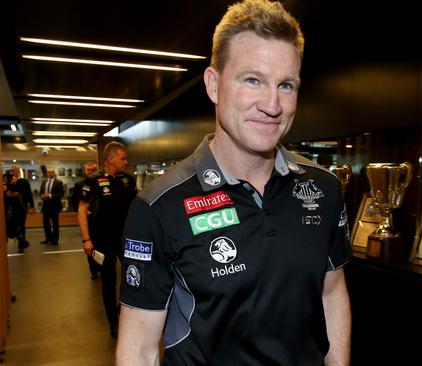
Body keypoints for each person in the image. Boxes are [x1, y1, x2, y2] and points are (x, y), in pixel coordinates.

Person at [116, 1, 352, 364]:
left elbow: (332, 293)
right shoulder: (159, 207)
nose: (272, 105)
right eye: (252, 80)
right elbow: (139, 348)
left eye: (286, 85)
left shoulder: (323, 189)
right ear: (214, 85)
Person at [78, 142, 137, 337]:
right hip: (103, 240)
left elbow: (137, 208)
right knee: (108, 280)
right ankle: (113, 321)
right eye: (123, 158)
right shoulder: (93, 181)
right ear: (110, 159)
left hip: (126, 239)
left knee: (132, 277)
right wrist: (86, 240)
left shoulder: (129, 180)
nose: (126, 162)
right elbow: (81, 211)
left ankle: (125, 309)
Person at [71, 161, 101, 279]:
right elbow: (74, 202)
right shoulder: (79, 184)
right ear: (84, 171)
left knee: (101, 245)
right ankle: (93, 269)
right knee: (90, 244)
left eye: (92, 170)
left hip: (101, 219)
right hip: (88, 220)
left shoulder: (101, 181)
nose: (90, 172)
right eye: (88, 170)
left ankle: (102, 267)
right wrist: (85, 211)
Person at [3, 173, 28, 253]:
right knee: (15, 228)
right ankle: (23, 241)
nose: (4, 180)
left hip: (14, 211)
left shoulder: (11, 186)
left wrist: (10, 192)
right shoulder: (9, 186)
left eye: (5, 178)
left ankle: (22, 242)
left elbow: (11, 193)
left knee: (16, 228)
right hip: (12, 211)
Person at [39, 168, 64, 245]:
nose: (50, 173)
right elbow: (41, 192)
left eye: (51, 172)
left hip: (55, 205)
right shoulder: (44, 182)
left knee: (55, 223)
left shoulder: (59, 182)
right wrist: (42, 196)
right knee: (46, 223)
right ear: (47, 173)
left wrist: (50, 195)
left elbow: (61, 194)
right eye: (49, 172)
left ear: (54, 173)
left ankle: (55, 240)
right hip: (45, 205)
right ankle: (48, 238)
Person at [11, 166, 35, 247]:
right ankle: (22, 240)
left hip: (22, 207)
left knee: (21, 225)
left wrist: (31, 207)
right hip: (11, 208)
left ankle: (21, 243)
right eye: (13, 171)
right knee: (13, 226)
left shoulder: (24, 181)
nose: (14, 172)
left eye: (15, 170)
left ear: (19, 172)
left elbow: (29, 194)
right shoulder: (10, 181)